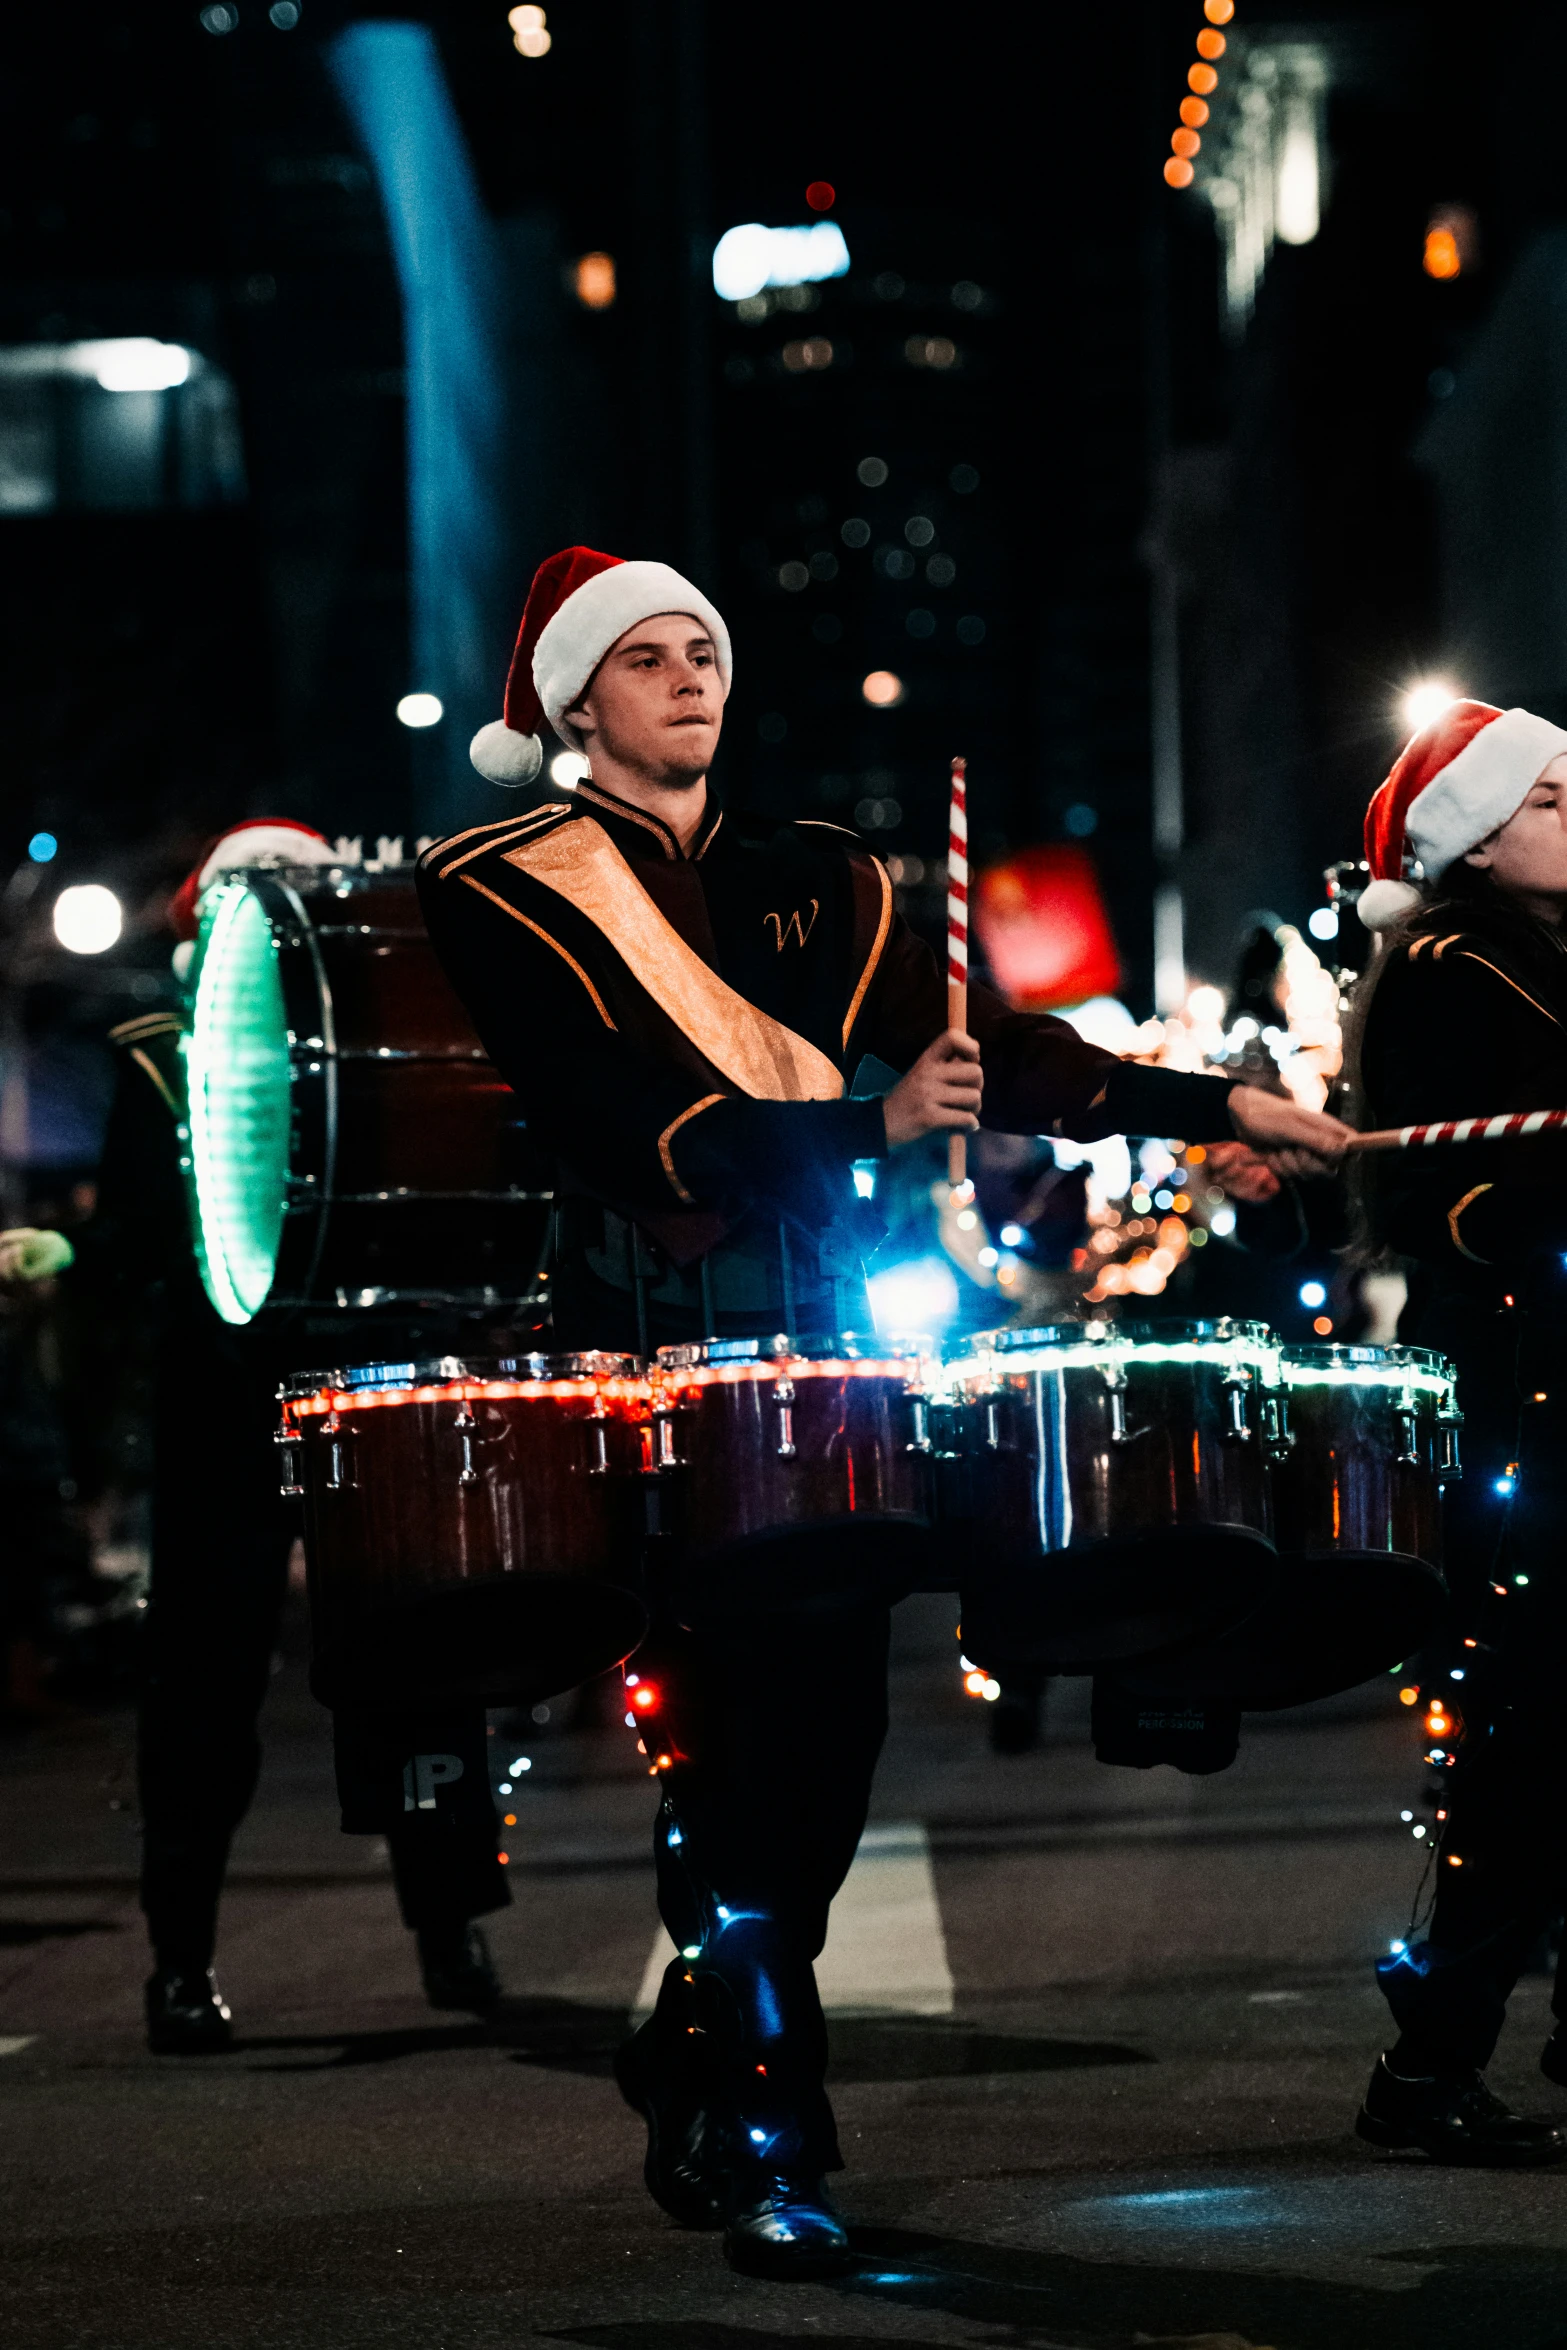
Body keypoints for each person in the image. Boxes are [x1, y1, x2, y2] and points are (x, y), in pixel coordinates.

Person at [416, 543, 1350, 2276]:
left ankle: (691, 2040)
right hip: (658, 1374)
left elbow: (989, 1056)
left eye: (707, 648)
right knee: (729, 1758)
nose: (693, 676)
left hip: (837, 1360)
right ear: (573, 700)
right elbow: (615, 1121)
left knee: (824, 1769)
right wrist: (865, 1126)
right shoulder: (504, 882)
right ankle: (782, 2139)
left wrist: (1213, 1098)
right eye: (648, 657)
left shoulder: (826, 877)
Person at [8, 822, 513, 2054]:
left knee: (418, 1654)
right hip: (222, 1393)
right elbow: (131, 1239)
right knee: (201, 1679)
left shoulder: (370, 1036)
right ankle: (181, 1955)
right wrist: (72, 1257)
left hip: (357, 1379)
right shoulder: (151, 1060)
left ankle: (448, 1917)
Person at [1348, 697, 1567, 2166]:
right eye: (1547, 795)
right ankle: (1428, 2056)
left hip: (1544, 1379)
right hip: (1517, 1389)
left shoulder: (1532, 954)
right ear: (1473, 832)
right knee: (1529, 1727)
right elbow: (1445, 1199)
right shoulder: (1447, 962)